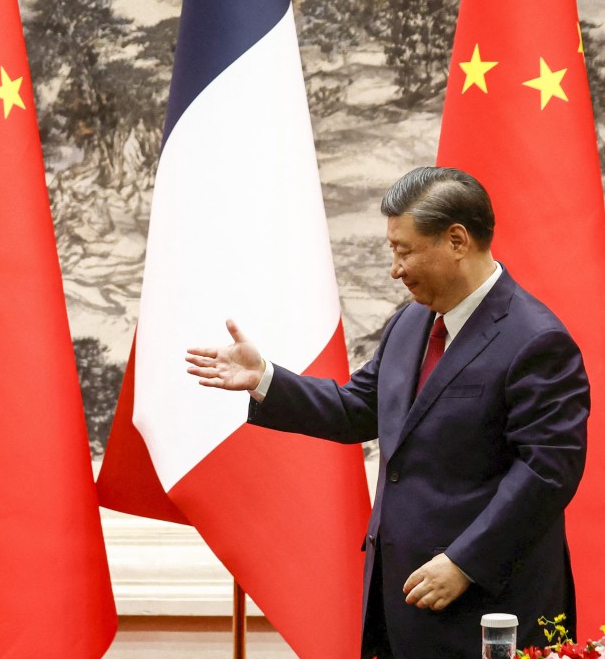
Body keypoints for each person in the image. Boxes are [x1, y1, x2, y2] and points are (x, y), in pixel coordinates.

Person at [185, 167, 588, 659]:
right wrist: (267, 378)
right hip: (399, 603)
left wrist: (463, 562)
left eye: (404, 250)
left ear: (457, 240)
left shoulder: (537, 339)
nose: (394, 269)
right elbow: (358, 409)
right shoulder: (409, 323)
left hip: (487, 605)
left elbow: (547, 471)